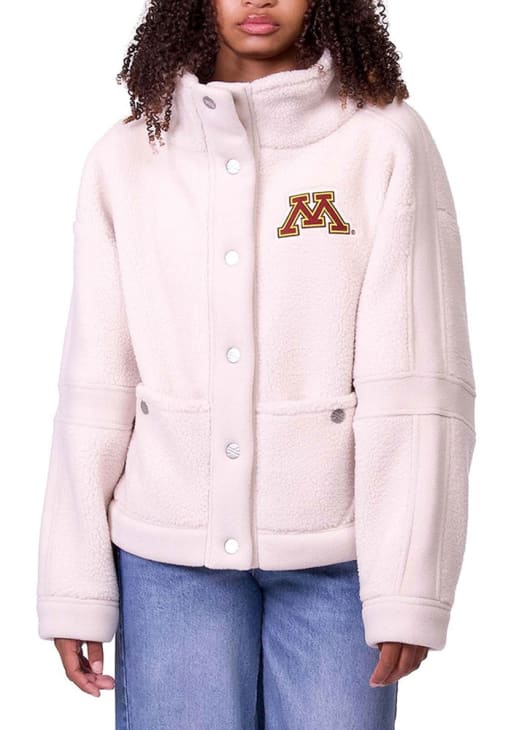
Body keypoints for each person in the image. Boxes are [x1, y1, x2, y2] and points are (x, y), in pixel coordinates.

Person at [36, 1, 477, 728]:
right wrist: (72, 583)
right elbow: (96, 379)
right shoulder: (127, 157)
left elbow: (417, 376)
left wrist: (409, 583)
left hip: (340, 565)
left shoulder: (383, 141)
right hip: (164, 559)